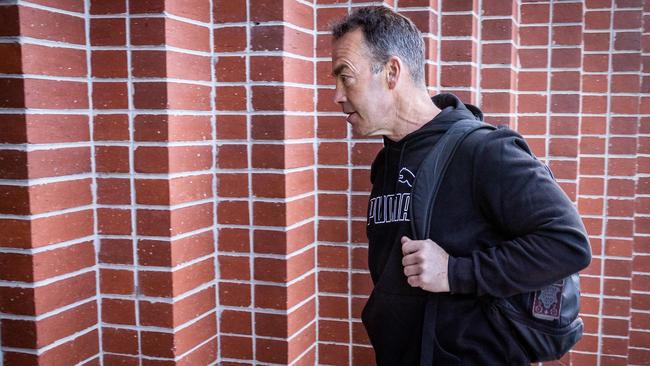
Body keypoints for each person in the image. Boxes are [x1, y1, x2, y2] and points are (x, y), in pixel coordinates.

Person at [330, 6, 591, 365]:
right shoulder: (385, 162)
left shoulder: (484, 151)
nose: (337, 95)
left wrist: (455, 272)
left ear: (391, 72)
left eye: (346, 77)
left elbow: (568, 243)